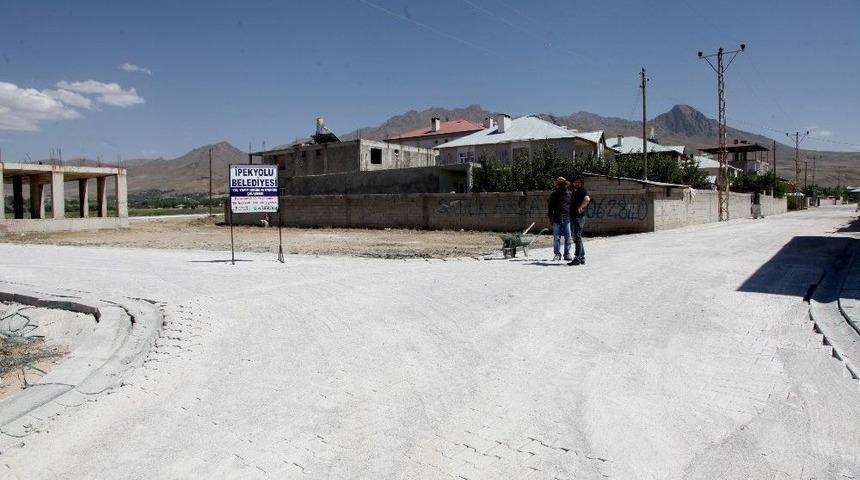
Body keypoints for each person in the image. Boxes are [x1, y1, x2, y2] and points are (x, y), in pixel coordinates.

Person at [547, 177, 572, 261]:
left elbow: (572, 207)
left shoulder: (569, 194)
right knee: (556, 238)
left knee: (568, 237)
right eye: (559, 184)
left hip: (567, 218)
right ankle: (557, 254)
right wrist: (550, 218)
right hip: (556, 219)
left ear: (565, 185)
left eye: (563, 184)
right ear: (557, 185)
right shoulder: (553, 195)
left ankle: (567, 254)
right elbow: (550, 208)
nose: (561, 186)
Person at [568, 176, 591, 266]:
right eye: (575, 182)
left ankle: (577, 258)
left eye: (578, 182)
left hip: (579, 217)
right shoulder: (575, 192)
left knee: (577, 237)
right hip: (574, 217)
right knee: (577, 238)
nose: (576, 183)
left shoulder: (582, 191)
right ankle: (582, 258)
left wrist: (581, 207)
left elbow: (587, 199)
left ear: (581, 183)